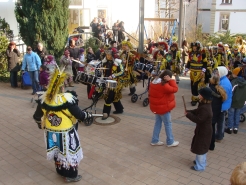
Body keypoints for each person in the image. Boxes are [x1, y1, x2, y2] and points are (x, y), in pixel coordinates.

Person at [33, 66, 93, 182]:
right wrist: (87, 115)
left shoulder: (44, 99)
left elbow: (36, 117)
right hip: (66, 133)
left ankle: (60, 171)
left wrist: (41, 125)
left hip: (51, 132)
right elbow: (79, 115)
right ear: (62, 87)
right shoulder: (67, 99)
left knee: (57, 151)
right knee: (69, 153)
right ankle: (71, 175)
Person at [185, 87, 213, 171]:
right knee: (200, 147)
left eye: (201, 94)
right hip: (203, 130)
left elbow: (198, 119)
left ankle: (200, 166)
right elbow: (198, 111)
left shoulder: (205, 108)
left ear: (203, 96)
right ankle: (199, 161)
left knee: (201, 148)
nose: (199, 95)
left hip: (204, 131)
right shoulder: (204, 105)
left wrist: (188, 115)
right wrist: (189, 111)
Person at [149, 70, 179, 147]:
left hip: (156, 107)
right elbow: (175, 89)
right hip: (164, 108)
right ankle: (170, 141)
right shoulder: (164, 85)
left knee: (157, 123)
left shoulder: (153, 82)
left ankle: (155, 140)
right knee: (168, 124)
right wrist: (171, 80)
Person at [101, 49, 124, 120]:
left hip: (115, 83)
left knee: (108, 98)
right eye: (107, 55)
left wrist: (114, 75)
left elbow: (122, 72)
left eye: (109, 55)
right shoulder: (105, 62)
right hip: (106, 81)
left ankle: (106, 113)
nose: (107, 56)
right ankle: (119, 109)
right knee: (114, 97)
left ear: (112, 55)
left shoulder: (117, 62)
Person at [184, 41, 208, 106]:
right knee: (193, 86)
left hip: (200, 73)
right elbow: (189, 62)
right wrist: (186, 69)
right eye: (193, 47)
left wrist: (203, 71)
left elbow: (205, 63)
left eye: (195, 47)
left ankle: (200, 99)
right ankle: (194, 99)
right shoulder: (191, 53)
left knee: (198, 86)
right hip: (192, 73)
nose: (194, 48)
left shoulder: (202, 53)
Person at [225, 67, 246, 134]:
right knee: (237, 114)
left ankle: (230, 128)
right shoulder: (244, 82)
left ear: (236, 74)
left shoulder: (234, 82)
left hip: (233, 101)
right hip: (240, 102)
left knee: (231, 114)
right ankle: (236, 128)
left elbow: (231, 92)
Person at [209, 74, 227, 151]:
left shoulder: (210, 89)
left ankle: (210, 144)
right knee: (213, 127)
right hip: (217, 111)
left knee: (209, 129)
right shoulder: (220, 90)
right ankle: (212, 145)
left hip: (211, 111)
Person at [215, 66, 232, 141]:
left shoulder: (224, 83)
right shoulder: (223, 80)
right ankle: (220, 134)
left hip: (222, 106)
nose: (216, 73)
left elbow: (222, 96)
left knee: (220, 122)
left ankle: (219, 136)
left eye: (217, 72)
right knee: (220, 121)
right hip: (223, 105)